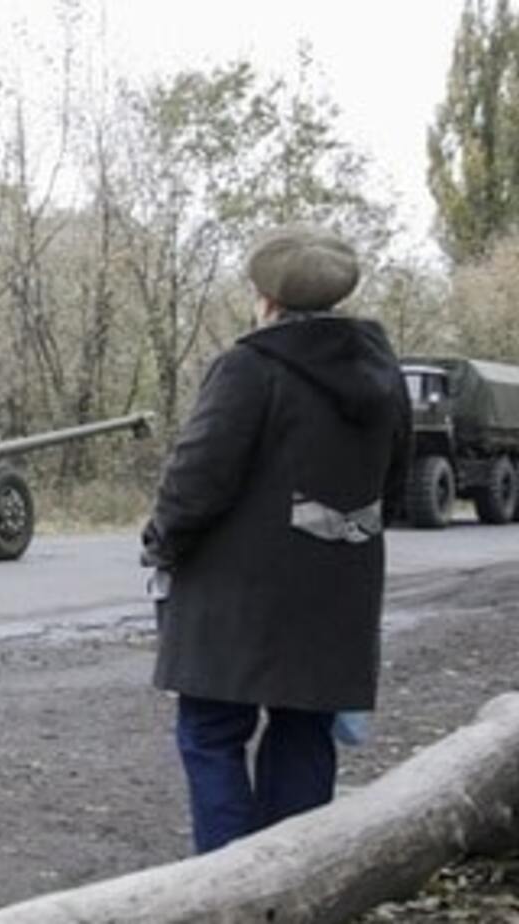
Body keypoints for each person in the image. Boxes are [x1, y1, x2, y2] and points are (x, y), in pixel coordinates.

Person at [141, 225, 411, 854]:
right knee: (304, 737)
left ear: (266, 298)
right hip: (335, 595)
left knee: (211, 734)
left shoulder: (250, 367)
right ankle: (290, 886)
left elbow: (195, 479)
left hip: (238, 600)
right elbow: (391, 485)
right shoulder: (382, 373)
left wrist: (162, 541)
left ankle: (228, 889)